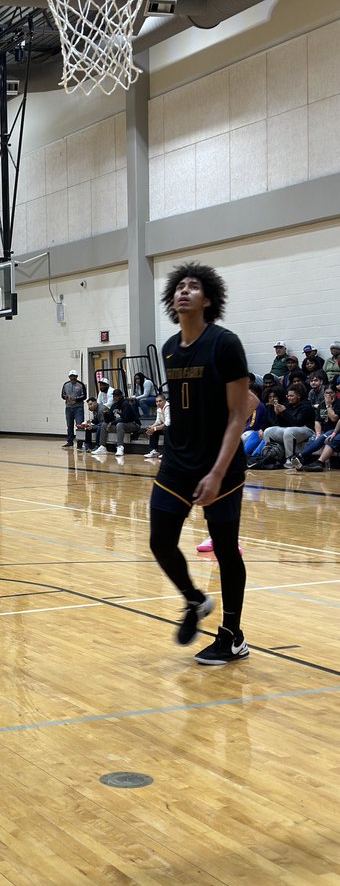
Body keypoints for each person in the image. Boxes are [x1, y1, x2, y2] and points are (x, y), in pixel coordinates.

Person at [149, 261, 252, 665]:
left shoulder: (225, 344)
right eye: (180, 286)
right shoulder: (171, 348)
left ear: (208, 299)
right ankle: (194, 600)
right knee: (160, 540)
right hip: (178, 460)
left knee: (226, 550)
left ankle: (232, 636)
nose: (184, 291)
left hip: (220, 464)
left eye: (194, 287)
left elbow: (238, 414)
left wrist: (217, 471)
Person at [261, 383, 315, 465]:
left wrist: (284, 412)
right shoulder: (289, 405)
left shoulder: (306, 406)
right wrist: (278, 415)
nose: (289, 398)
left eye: (291, 396)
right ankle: (270, 456)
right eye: (288, 396)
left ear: (299, 396)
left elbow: (297, 423)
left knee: (289, 431)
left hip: (307, 430)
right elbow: (282, 425)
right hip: (292, 429)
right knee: (268, 431)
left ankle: (289, 459)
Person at [60, 368, 87, 448]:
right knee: (69, 425)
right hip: (68, 407)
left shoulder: (81, 385)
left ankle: (80, 442)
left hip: (78, 407)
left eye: (74, 376)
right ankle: (70, 441)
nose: (73, 378)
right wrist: (66, 397)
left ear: (77, 376)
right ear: (69, 377)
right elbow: (62, 395)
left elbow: (84, 396)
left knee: (79, 425)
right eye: (71, 376)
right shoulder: (65, 385)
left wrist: (76, 399)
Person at [143, 393, 170, 459]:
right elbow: (158, 422)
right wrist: (151, 427)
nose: (158, 403)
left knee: (166, 429)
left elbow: (167, 423)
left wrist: (154, 428)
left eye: (160, 401)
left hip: (174, 428)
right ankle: (154, 451)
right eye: (156, 401)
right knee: (153, 430)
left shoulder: (168, 407)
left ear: (164, 401)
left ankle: (166, 453)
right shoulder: (159, 409)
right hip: (166, 427)